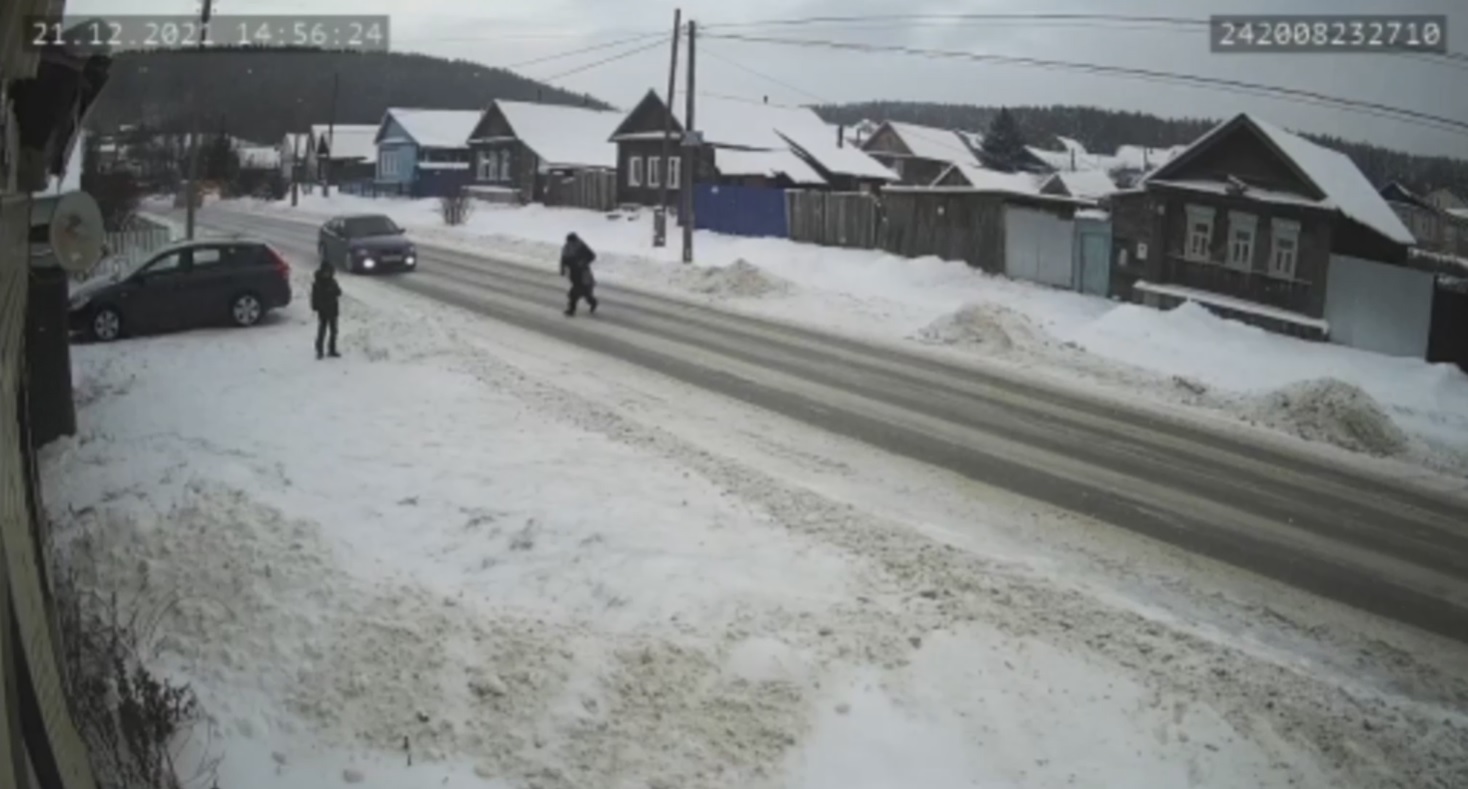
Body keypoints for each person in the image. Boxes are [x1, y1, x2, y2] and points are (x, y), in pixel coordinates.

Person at [559, 232, 598, 317]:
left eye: (572, 242)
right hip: (573, 274)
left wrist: (583, 262)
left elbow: (592, 256)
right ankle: (592, 302)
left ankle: (571, 310)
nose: (571, 243)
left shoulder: (581, 246)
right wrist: (562, 269)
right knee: (584, 293)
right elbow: (563, 259)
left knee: (574, 293)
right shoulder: (566, 248)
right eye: (569, 242)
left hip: (583, 273)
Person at [310, 261, 342, 359]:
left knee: (334, 331)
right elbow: (314, 297)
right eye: (326, 272)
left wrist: (334, 292)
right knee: (322, 330)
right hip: (323, 310)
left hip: (333, 309)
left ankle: (332, 349)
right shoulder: (318, 283)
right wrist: (316, 307)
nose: (327, 274)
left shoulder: (333, 282)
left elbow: (339, 292)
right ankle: (319, 350)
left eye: (329, 272)